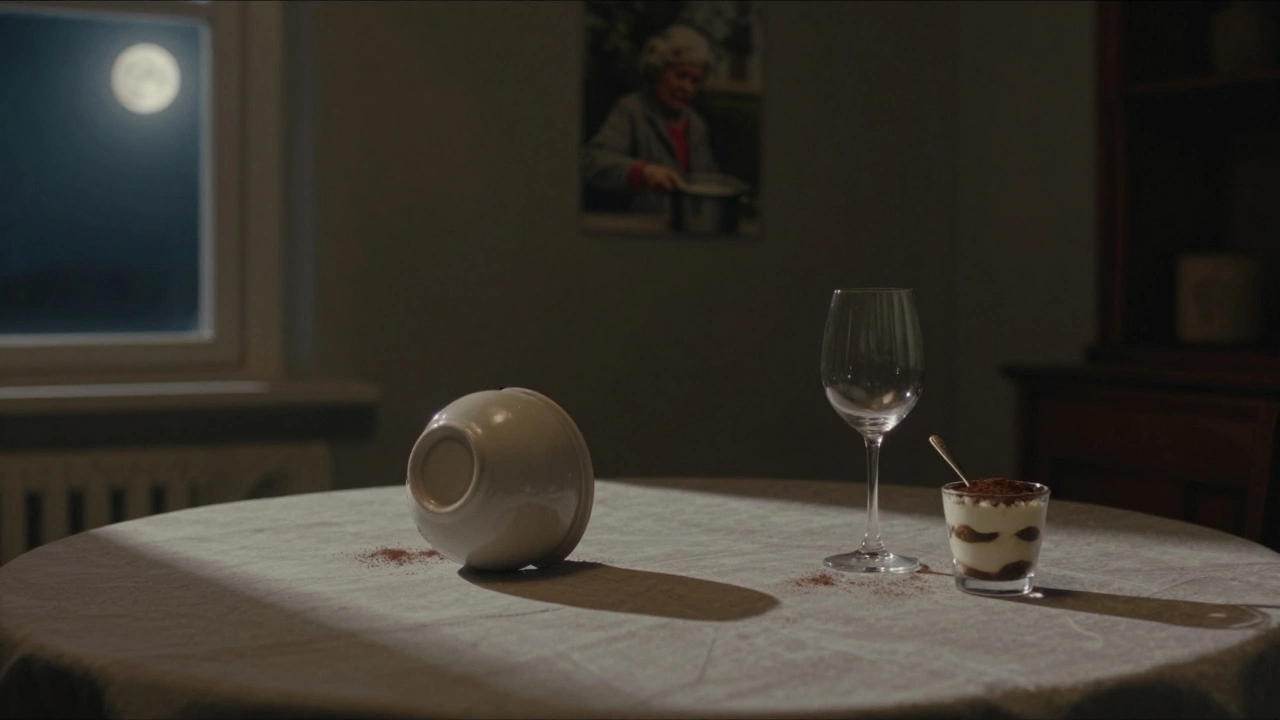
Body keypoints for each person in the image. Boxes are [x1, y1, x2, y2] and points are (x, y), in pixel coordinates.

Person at [581, 24, 721, 214]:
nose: (688, 87)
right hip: (641, 231)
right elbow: (592, 162)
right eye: (681, 76)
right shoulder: (632, 110)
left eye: (695, 81)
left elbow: (708, 181)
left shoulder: (696, 124)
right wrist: (642, 172)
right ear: (657, 71)